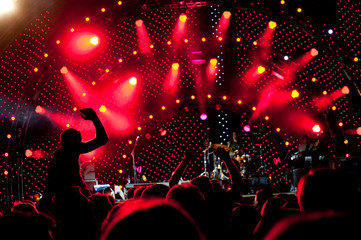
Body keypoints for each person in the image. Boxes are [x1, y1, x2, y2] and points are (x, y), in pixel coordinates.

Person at [45, 108, 109, 198]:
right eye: (79, 139)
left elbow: (51, 178)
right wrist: (94, 118)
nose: (81, 141)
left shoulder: (58, 154)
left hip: (63, 194)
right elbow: (102, 139)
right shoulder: (72, 149)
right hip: (74, 192)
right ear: (73, 141)